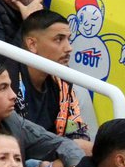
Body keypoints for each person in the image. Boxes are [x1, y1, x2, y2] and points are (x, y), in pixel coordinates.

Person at [17, 10, 90, 143]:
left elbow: (76, 131)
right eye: (59, 39)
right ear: (32, 44)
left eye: (68, 39)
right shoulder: (10, 80)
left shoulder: (63, 81)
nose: (69, 48)